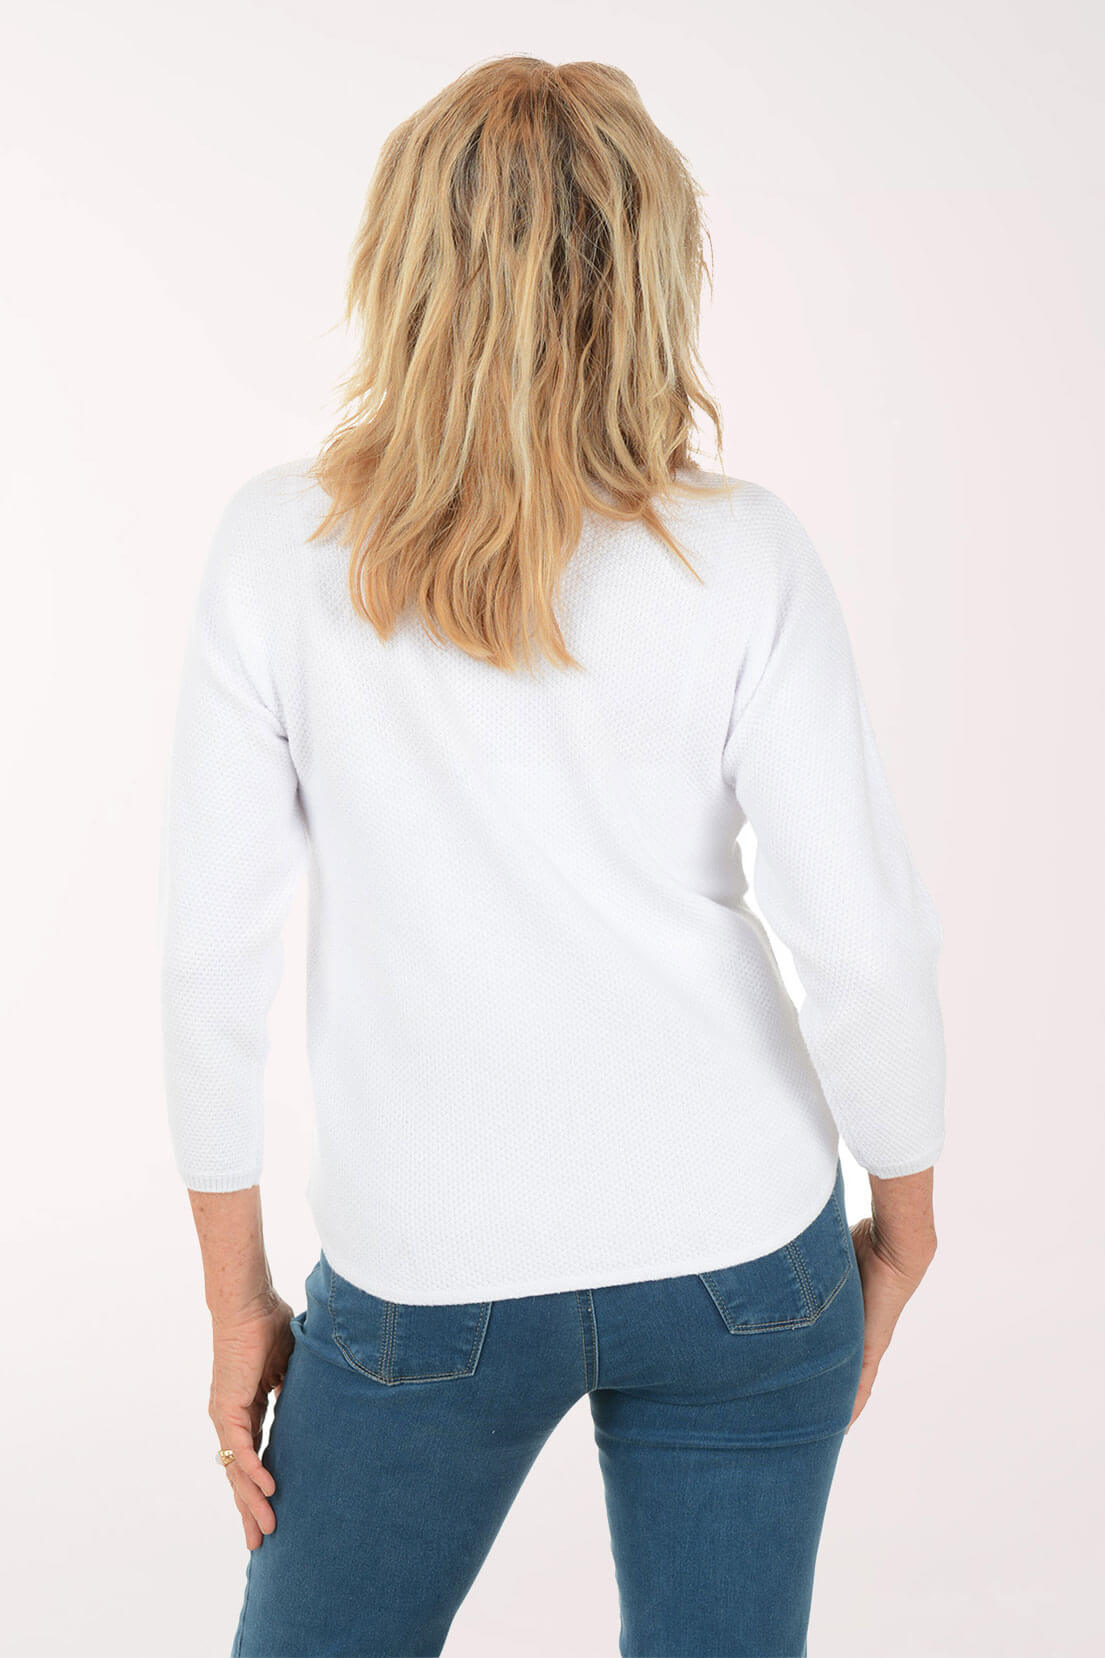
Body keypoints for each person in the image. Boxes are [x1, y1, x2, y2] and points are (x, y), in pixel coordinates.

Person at [158, 54, 945, 1658]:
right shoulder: (743, 553)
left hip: (424, 1267)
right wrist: (907, 1212)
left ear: (402, 261)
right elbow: (858, 937)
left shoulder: (279, 551)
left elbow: (207, 965)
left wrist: (237, 1297)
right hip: (743, 1256)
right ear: (651, 267)